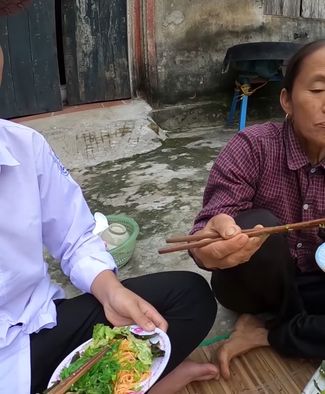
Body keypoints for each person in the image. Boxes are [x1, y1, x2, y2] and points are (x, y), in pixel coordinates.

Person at [0, 3, 219, 393]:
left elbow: (75, 237)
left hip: (37, 327)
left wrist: (112, 291)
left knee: (188, 298)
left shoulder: (24, 147)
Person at [187, 39, 325, 379]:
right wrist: (212, 247)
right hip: (252, 287)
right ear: (287, 99)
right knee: (261, 226)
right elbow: (207, 234)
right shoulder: (252, 147)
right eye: (317, 89)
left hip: (312, 285)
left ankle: (270, 333)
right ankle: (291, 325)